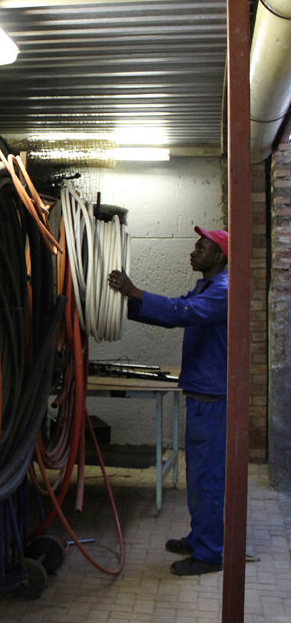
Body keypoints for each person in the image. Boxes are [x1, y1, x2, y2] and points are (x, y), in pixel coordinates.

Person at [107, 227, 228, 576]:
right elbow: (175, 313)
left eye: (201, 247)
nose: (193, 251)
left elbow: (182, 313)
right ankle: (200, 536)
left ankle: (209, 554)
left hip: (214, 399)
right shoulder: (207, 286)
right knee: (198, 472)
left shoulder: (222, 290)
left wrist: (135, 291)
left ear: (219, 256)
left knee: (208, 477)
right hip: (202, 393)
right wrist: (128, 302)